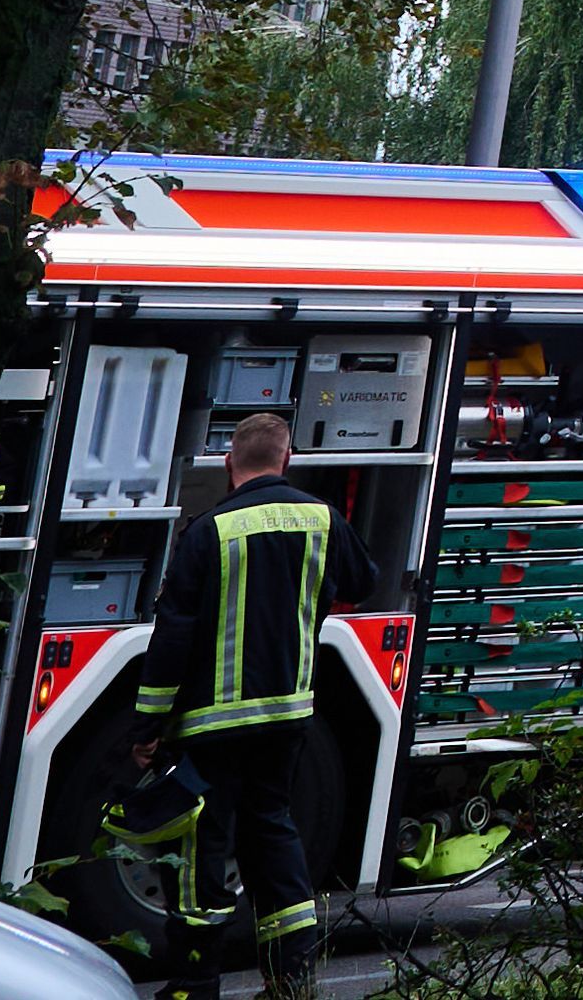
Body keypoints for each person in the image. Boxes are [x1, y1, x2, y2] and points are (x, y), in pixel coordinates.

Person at [132, 412, 348, 1000]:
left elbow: (172, 637)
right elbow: (360, 576)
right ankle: (291, 979)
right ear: (289, 460)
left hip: (213, 726)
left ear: (230, 463)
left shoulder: (209, 530)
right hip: (287, 717)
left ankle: (196, 986)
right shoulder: (322, 519)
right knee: (274, 834)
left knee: (204, 846)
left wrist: (148, 725)